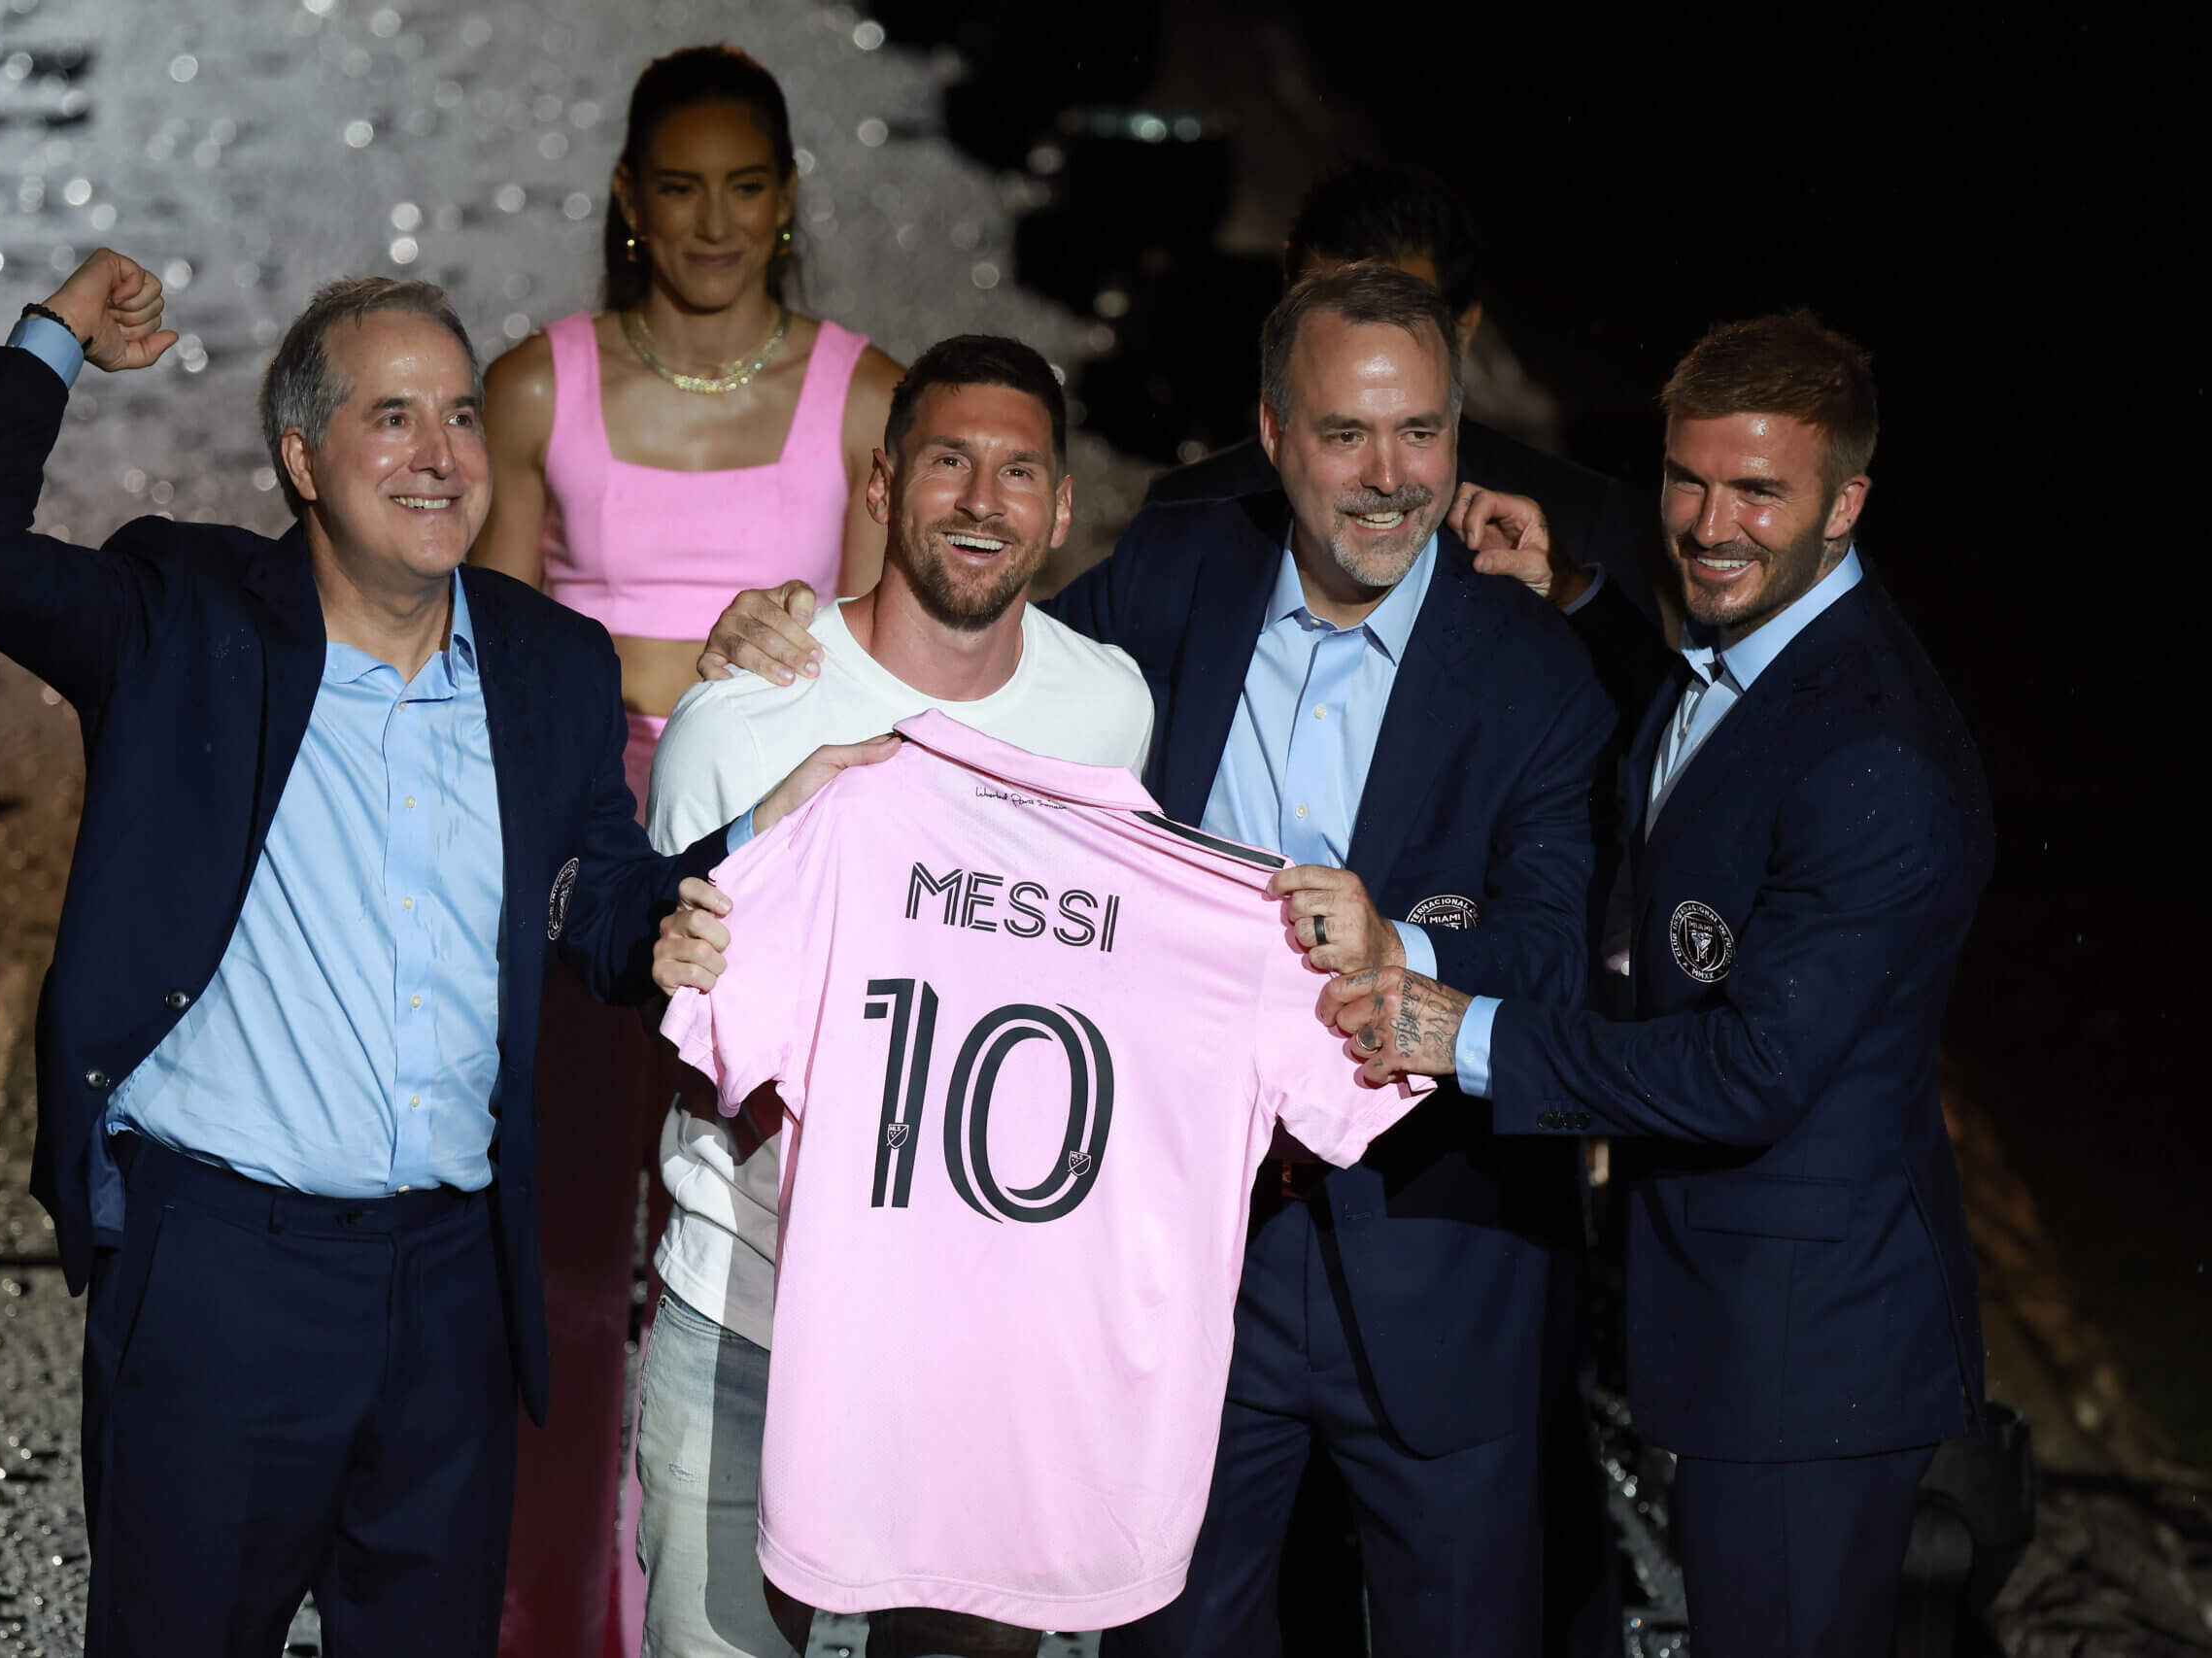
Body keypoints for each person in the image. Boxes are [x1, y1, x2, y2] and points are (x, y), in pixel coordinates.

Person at [0, 249, 851, 1657]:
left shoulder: (550, 663)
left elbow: (590, 898)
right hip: (224, 1271)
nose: (440, 454)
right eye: (391, 416)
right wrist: (52, 340)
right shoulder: (188, 619)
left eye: (461, 414)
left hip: (449, 1290)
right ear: (300, 454)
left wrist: (713, 881)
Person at [698, 262, 1617, 1657]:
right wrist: (802, 637)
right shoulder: (1182, 576)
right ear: (1269, 432)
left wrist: (1403, 947)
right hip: (1187, 1268)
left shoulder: (1538, 668)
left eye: (1421, 433)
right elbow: (984, 662)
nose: (1388, 478)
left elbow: (1554, 955)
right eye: (1344, 434)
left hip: (1441, 1268)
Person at [1342, 312, 1990, 1657]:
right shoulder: (1754, 656)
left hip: (1813, 1358)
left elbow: (1753, 1064)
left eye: (1759, 490)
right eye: (1687, 479)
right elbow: (1716, 763)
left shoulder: (1882, 764)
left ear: (1848, 500)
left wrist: (1470, 1033)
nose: (1709, 521)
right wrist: (1575, 596)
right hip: (1726, 1308)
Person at [461, 45, 903, 1657]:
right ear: (627, 204)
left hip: (772, 884)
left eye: (746, 187)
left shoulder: (870, 399)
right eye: (679, 187)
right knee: (576, 1275)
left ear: (787, 203)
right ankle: (555, 1624)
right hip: (585, 873)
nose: (713, 221)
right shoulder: (535, 387)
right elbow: (495, 664)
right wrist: (668, 681)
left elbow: (888, 673)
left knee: (754, 1274)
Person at [638, 334, 1154, 1657]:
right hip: (747, 1321)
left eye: (1018, 470)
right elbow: (674, 1005)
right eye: (948, 462)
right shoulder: (740, 717)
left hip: (988, 1354)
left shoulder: (1110, 716)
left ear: (1062, 506)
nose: (983, 501)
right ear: (880, 484)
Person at [1147, 162, 1669, 730]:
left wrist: (1567, 591)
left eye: (1402, 313)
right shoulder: (1183, 513)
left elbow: (1658, 746)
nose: (1365, 339)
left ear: (1464, 329)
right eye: (1331, 306)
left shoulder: (1577, 521)